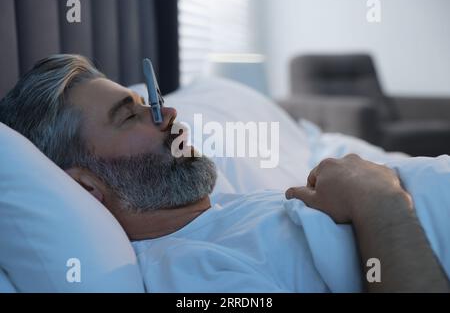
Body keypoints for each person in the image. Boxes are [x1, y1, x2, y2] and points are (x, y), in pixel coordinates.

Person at [0, 54, 448, 292]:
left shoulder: (223, 214)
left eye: (151, 102)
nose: (168, 112)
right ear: (87, 186)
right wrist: (377, 199)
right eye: (130, 116)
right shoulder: (189, 273)